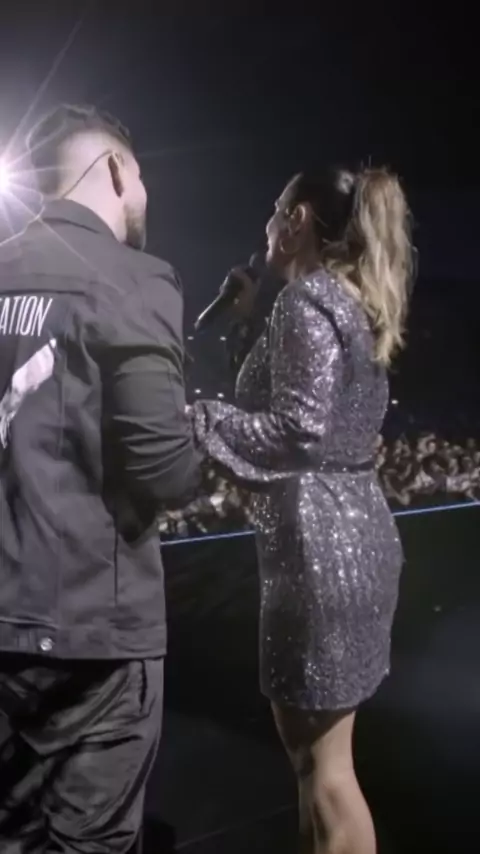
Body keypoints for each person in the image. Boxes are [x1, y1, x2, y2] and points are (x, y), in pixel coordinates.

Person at [191, 167, 412, 854]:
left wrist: (199, 418)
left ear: (299, 219)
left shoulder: (307, 301)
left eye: (274, 210)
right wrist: (247, 324)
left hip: (317, 553)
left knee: (327, 777)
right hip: (357, 535)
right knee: (324, 770)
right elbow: (299, 408)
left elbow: (297, 430)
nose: (265, 225)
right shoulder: (349, 300)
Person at [0, 104, 202, 853]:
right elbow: (163, 469)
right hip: (93, 632)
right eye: (141, 176)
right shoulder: (134, 279)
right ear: (116, 169)